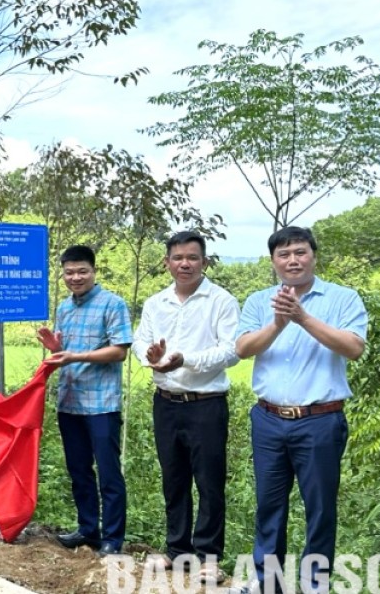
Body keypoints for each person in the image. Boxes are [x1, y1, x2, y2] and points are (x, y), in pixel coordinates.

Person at [231, 226, 367, 594]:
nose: (293, 260)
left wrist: (302, 317)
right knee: (268, 507)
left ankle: (314, 584)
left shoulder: (343, 298)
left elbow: (353, 348)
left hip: (321, 420)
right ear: (273, 261)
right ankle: (267, 583)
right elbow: (243, 349)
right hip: (269, 419)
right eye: (284, 254)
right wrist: (278, 322)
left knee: (320, 508)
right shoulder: (260, 302)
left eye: (300, 252)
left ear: (313, 255)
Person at [134, 231, 239, 584]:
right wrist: (150, 358)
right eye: (177, 258)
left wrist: (184, 360)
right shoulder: (155, 303)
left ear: (204, 262)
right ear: (166, 263)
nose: (185, 264)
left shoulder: (221, 301)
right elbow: (140, 342)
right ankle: (178, 549)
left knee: (209, 480)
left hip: (206, 405)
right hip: (166, 403)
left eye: (192, 257)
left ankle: (209, 555)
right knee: (173, 477)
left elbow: (230, 351)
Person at [37, 244, 132, 557]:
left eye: (82, 271)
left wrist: (75, 355)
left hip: (102, 404)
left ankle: (113, 539)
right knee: (79, 471)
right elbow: (63, 354)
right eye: (69, 272)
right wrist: (55, 348)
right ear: (62, 274)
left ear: (94, 271)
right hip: (70, 403)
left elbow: (119, 350)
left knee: (108, 474)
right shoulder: (64, 308)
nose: (75, 277)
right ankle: (88, 529)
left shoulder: (112, 304)